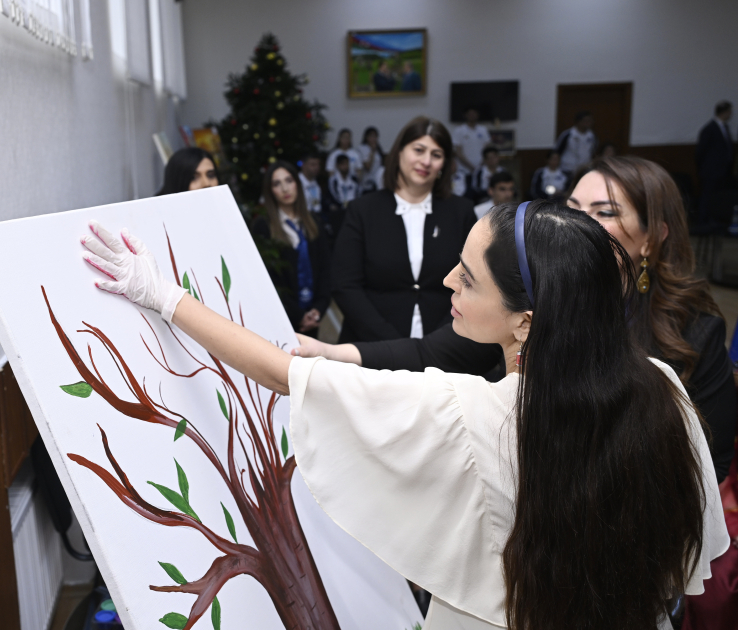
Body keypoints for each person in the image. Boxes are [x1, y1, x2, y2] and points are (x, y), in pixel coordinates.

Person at [78, 202, 728, 630]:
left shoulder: (471, 414)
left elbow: (286, 376)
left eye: (468, 279)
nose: (447, 281)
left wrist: (160, 294)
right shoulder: (663, 388)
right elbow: (683, 557)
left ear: (525, 322)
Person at [296, 155, 737, 484]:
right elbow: (432, 352)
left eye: (604, 212)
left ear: (653, 238)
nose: (578, 222)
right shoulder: (532, 295)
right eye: (572, 206)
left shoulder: (692, 331)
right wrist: (332, 351)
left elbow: (707, 466)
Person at [331, 116, 476, 343]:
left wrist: (437, 343)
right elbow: (345, 286)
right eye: (418, 150)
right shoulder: (363, 210)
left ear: (444, 164)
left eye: (436, 155)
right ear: (399, 152)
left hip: (445, 347)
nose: (426, 161)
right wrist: (392, 346)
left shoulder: (461, 212)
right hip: (371, 347)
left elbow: (472, 284)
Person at [250, 161, 331, 337]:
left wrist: (318, 309)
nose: (285, 188)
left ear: (297, 184)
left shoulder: (314, 221)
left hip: (313, 316)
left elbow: (326, 269)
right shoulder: (263, 226)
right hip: (282, 319)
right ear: (270, 191)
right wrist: (298, 315)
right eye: (277, 184)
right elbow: (266, 280)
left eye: (289, 180)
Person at [696, 100, 734, 225]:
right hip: (711, 171)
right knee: (707, 197)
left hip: (723, 171)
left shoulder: (725, 128)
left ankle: (716, 221)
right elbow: (701, 152)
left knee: (719, 197)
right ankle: (703, 221)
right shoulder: (709, 129)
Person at [451, 107, 491, 197]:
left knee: (482, 195)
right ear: (465, 115)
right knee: (467, 194)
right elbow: (458, 152)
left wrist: (479, 166)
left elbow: (487, 149)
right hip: (464, 170)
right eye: (470, 113)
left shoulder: (483, 130)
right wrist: (471, 167)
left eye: (474, 113)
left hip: (481, 169)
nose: (472, 116)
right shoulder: (459, 130)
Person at [357, 127, 384, 193]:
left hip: (377, 182)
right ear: (366, 137)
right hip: (366, 183)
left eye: (375, 136)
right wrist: (372, 151)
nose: (373, 139)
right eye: (371, 136)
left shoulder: (378, 149)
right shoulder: (362, 148)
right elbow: (368, 167)